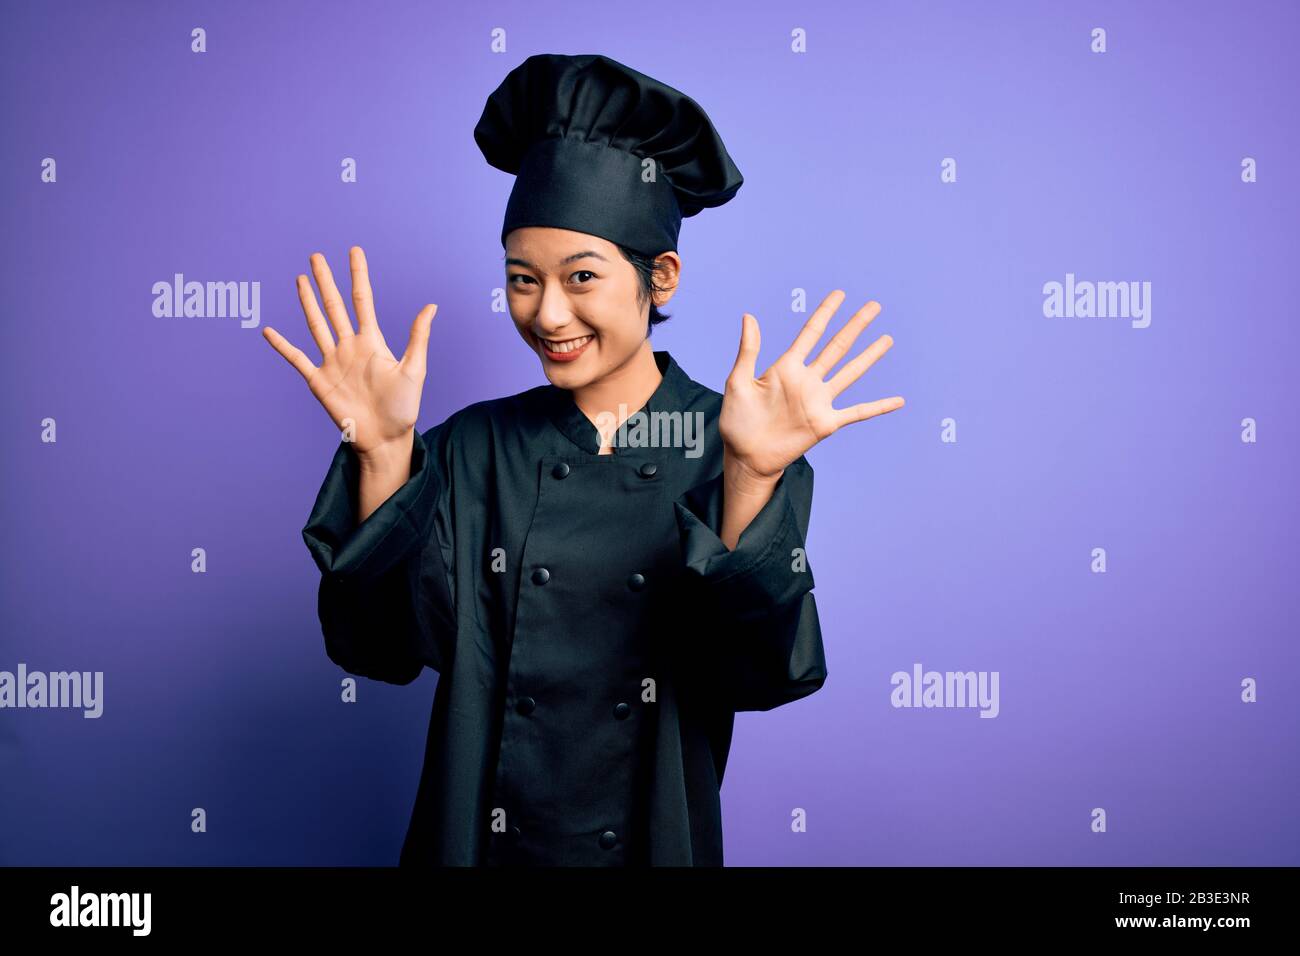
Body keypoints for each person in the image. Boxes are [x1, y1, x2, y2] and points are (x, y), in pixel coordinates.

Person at [261, 53, 904, 866]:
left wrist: (750, 477)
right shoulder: (472, 447)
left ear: (660, 277)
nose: (547, 313)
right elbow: (379, 651)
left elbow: (760, 675)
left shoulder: (736, 443)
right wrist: (385, 453)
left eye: (583, 276)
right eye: (521, 280)